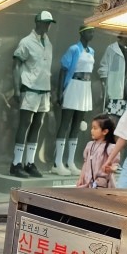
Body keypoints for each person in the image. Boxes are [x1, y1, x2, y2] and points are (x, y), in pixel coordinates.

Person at [10, 11, 55, 178]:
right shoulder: (26, 42)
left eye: (49, 23)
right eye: (45, 22)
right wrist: (16, 88)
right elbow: (16, 65)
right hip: (29, 88)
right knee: (25, 123)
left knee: (38, 124)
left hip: (44, 89)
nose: (48, 25)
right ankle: (16, 163)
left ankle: (29, 162)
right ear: (38, 23)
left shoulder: (48, 42)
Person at [51, 27, 96, 175]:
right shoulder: (74, 49)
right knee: (65, 123)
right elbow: (64, 70)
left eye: (93, 32)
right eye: (89, 32)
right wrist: (59, 92)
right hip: (73, 85)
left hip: (85, 87)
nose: (92, 34)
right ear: (82, 33)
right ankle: (57, 162)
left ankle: (70, 161)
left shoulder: (91, 51)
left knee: (77, 125)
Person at [77, 116, 119, 188]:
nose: (92, 130)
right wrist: (81, 178)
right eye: (92, 128)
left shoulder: (111, 147)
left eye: (95, 128)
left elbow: (115, 165)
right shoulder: (90, 145)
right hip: (87, 182)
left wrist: (112, 169)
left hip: (102, 185)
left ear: (105, 131)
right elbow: (85, 162)